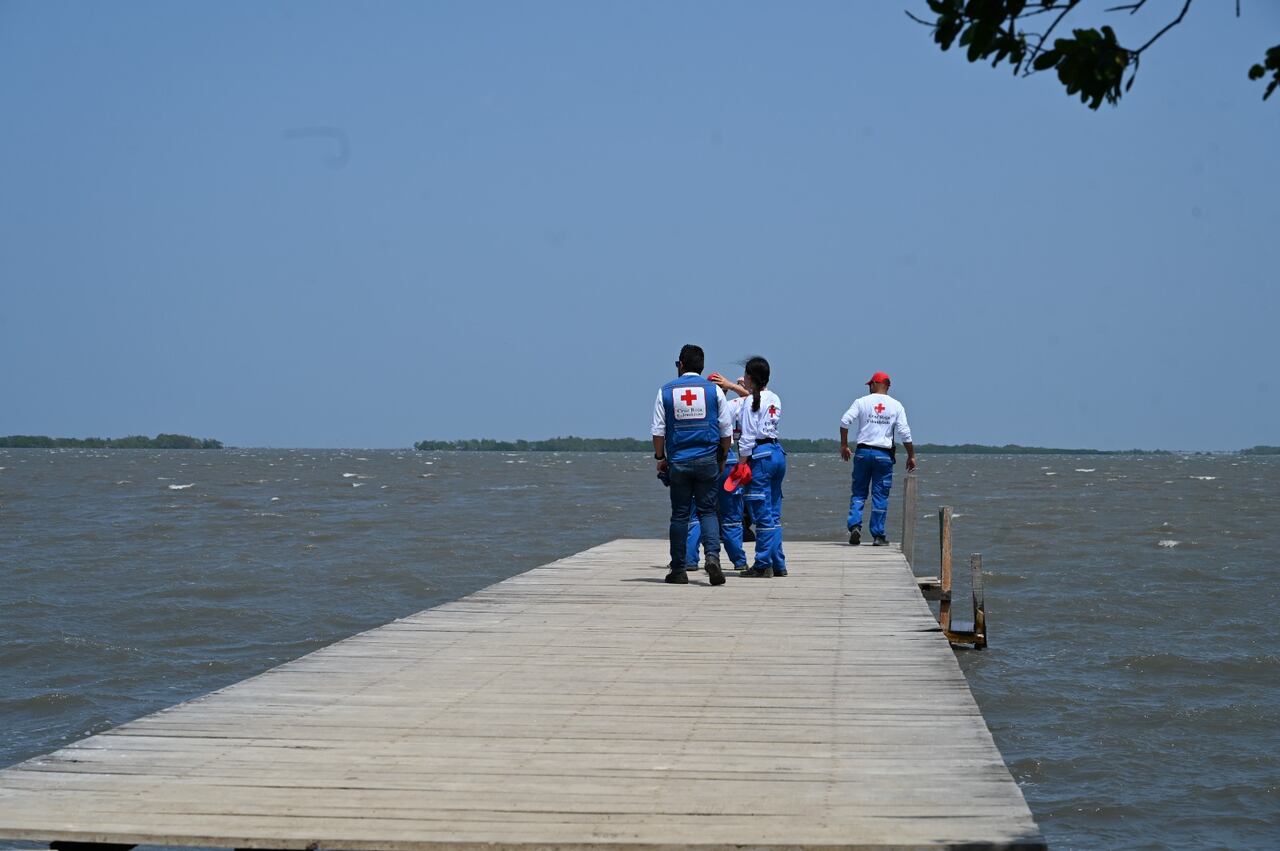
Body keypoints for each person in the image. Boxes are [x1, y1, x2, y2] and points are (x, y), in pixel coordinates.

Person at [652, 344, 731, 585]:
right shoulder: (714, 391)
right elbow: (725, 430)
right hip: (708, 459)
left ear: (681, 364)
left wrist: (660, 458)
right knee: (708, 511)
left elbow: (658, 432)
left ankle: (678, 570)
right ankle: (713, 558)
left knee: (680, 515)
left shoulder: (665, 391)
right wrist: (722, 458)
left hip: (679, 462)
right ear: (702, 366)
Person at [839, 371, 916, 546]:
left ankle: (855, 526)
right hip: (883, 455)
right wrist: (911, 455)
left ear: (874, 384)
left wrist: (844, 445)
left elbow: (844, 421)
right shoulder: (896, 406)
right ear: (888, 386)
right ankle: (878, 535)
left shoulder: (861, 402)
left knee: (859, 492)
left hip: (863, 453)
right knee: (880, 495)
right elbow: (905, 433)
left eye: (870, 385)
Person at [734, 357, 786, 577]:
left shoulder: (749, 403)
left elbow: (746, 438)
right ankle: (779, 563)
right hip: (777, 454)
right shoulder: (775, 398)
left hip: (760, 457)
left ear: (750, 378)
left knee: (761, 513)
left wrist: (741, 464)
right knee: (774, 514)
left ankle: (762, 564)